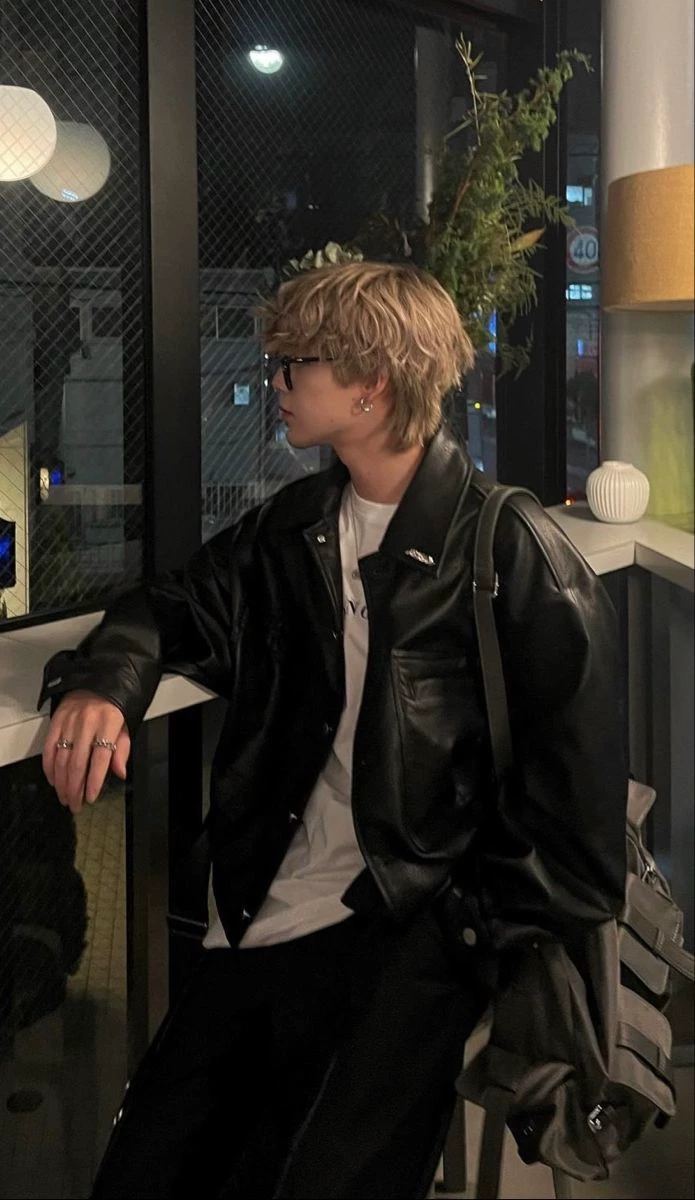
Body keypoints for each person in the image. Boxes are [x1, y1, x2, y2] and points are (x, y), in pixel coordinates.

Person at [39, 262, 627, 1199]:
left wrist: (461, 931)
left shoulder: (511, 554)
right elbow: (170, 606)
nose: (273, 380)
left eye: (293, 364)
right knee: (149, 1169)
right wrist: (105, 684)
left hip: (409, 933)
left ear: (370, 383)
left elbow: (579, 837)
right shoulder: (295, 527)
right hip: (261, 911)